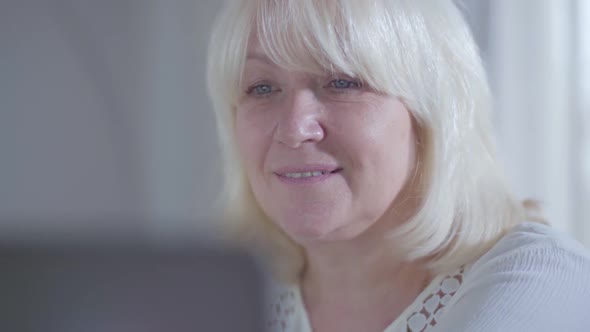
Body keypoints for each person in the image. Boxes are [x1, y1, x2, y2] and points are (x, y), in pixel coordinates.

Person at [206, 0, 590, 331]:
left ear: (431, 112)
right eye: (261, 87)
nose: (294, 128)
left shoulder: (541, 278)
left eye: (342, 82)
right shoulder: (217, 296)